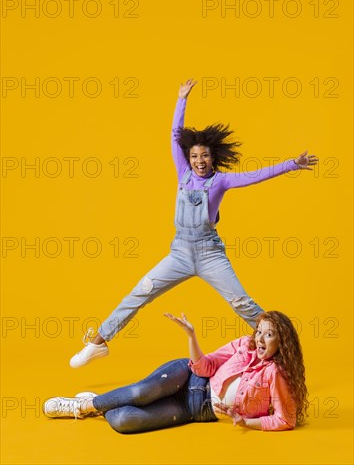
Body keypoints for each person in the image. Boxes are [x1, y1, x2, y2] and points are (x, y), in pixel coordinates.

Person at [69, 79, 318, 367]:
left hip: (210, 255)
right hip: (180, 254)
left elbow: (255, 175)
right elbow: (175, 135)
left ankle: (284, 355)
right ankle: (98, 343)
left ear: (214, 158)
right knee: (141, 291)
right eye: (195, 156)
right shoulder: (183, 174)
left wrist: (292, 164)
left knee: (243, 304)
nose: (200, 160)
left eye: (205, 156)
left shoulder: (221, 180)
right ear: (189, 158)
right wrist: (181, 99)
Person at [44, 311, 309, 432]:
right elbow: (204, 366)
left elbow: (286, 419)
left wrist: (247, 422)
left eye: (270, 334)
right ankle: (83, 406)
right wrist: (192, 336)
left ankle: (107, 401)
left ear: (281, 341)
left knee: (124, 421)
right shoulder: (244, 345)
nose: (261, 338)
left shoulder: (275, 375)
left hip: (197, 411)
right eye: (259, 331)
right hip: (189, 376)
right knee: (141, 392)